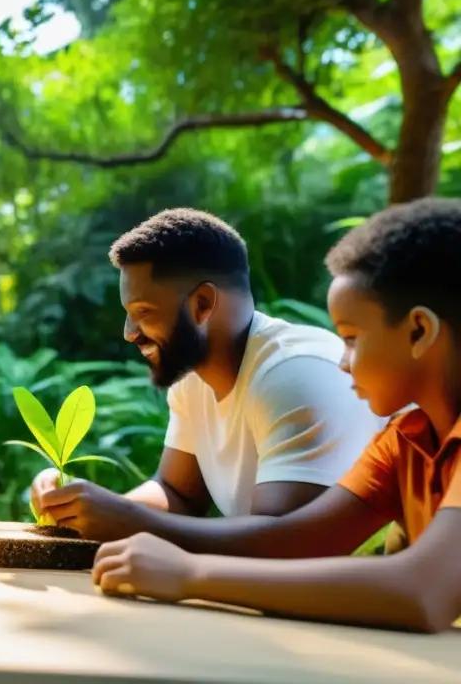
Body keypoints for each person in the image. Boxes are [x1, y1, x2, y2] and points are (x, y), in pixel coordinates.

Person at [90, 197, 461, 633]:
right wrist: (130, 526)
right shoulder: (407, 440)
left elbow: (420, 591)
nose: (341, 362)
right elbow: (296, 541)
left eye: (352, 338)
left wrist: (192, 574)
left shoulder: (297, 370)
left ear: (419, 331)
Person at [31, 208, 385, 542]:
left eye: (143, 311)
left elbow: (285, 542)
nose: (130, 332)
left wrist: (129, 519)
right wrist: (82, 508)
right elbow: (178, 493)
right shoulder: (192, 379)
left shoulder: (295, 372)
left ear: (202, 304)